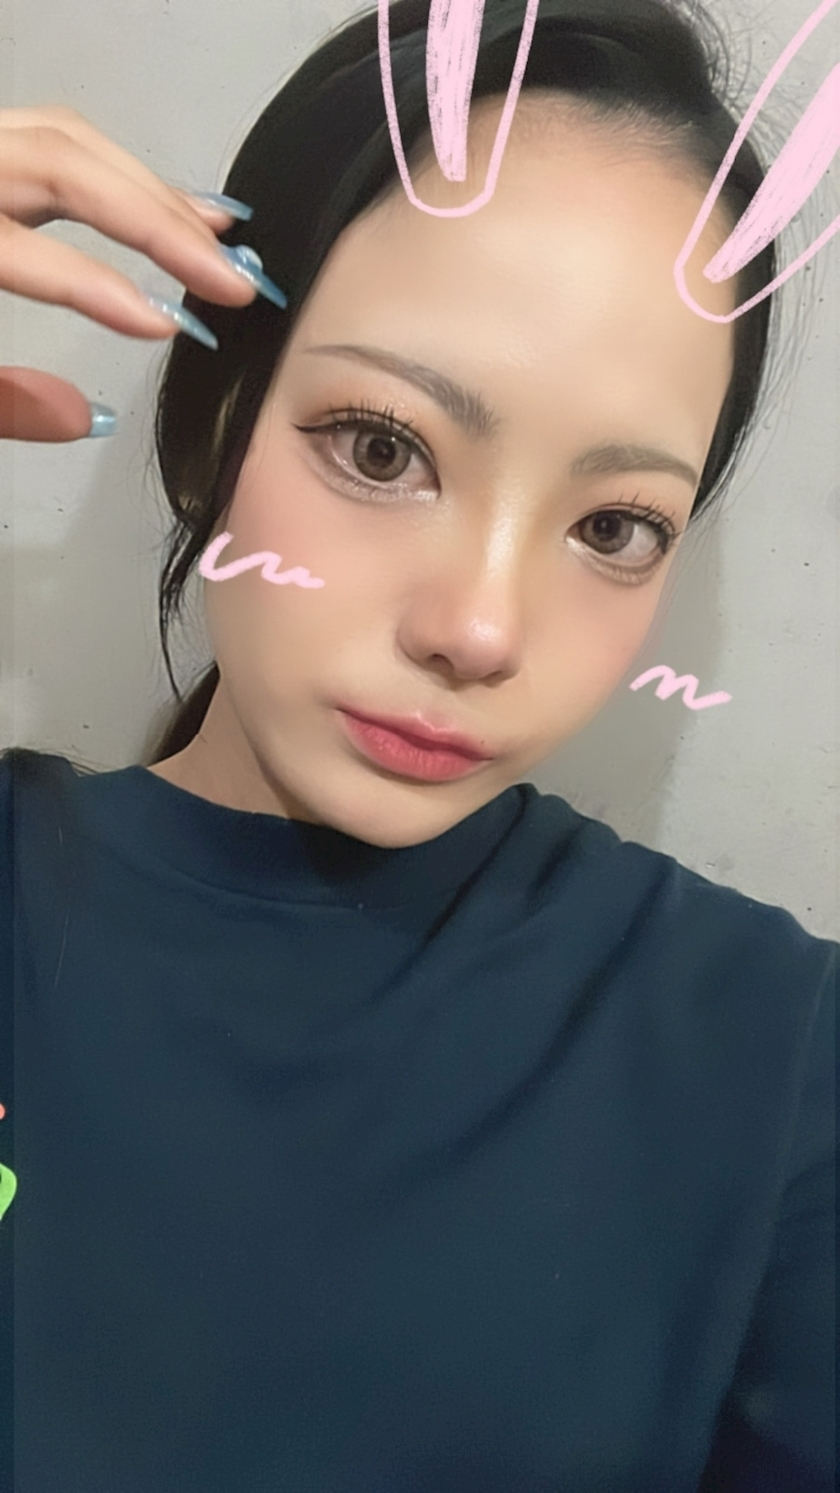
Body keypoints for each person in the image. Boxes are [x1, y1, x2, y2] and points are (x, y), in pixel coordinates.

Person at [0, 1, 835, 1488]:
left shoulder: (777, 1060)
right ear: (211, 423)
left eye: (613, 525)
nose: (482, 629)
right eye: (383, 448)